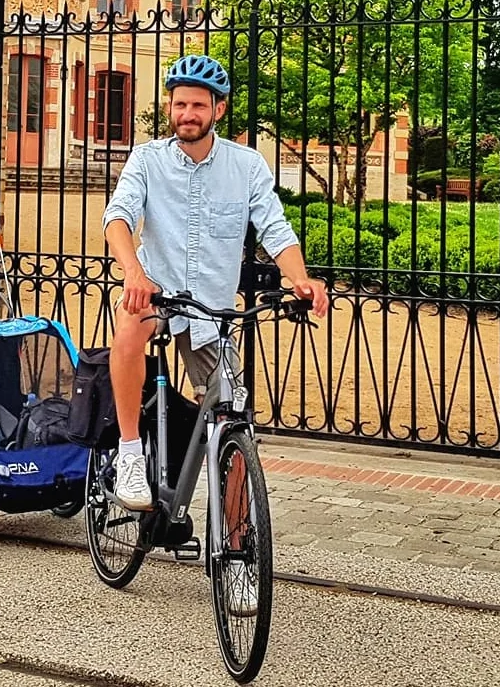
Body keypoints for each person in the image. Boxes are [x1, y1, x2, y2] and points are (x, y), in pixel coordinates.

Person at [100, 54, 329, 515]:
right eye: (179, 104)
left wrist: (300, 278)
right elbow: (118, 217)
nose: (187, 114)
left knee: (232, 414)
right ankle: (128, 453)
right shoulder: (146, 160)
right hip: (156, 291)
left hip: (211, 311)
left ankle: (238, 535)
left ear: (218, 110)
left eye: (198, 106)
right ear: (170, 107)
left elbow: (275, 228)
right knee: (127, 331)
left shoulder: (246, 166)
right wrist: (134, 273)